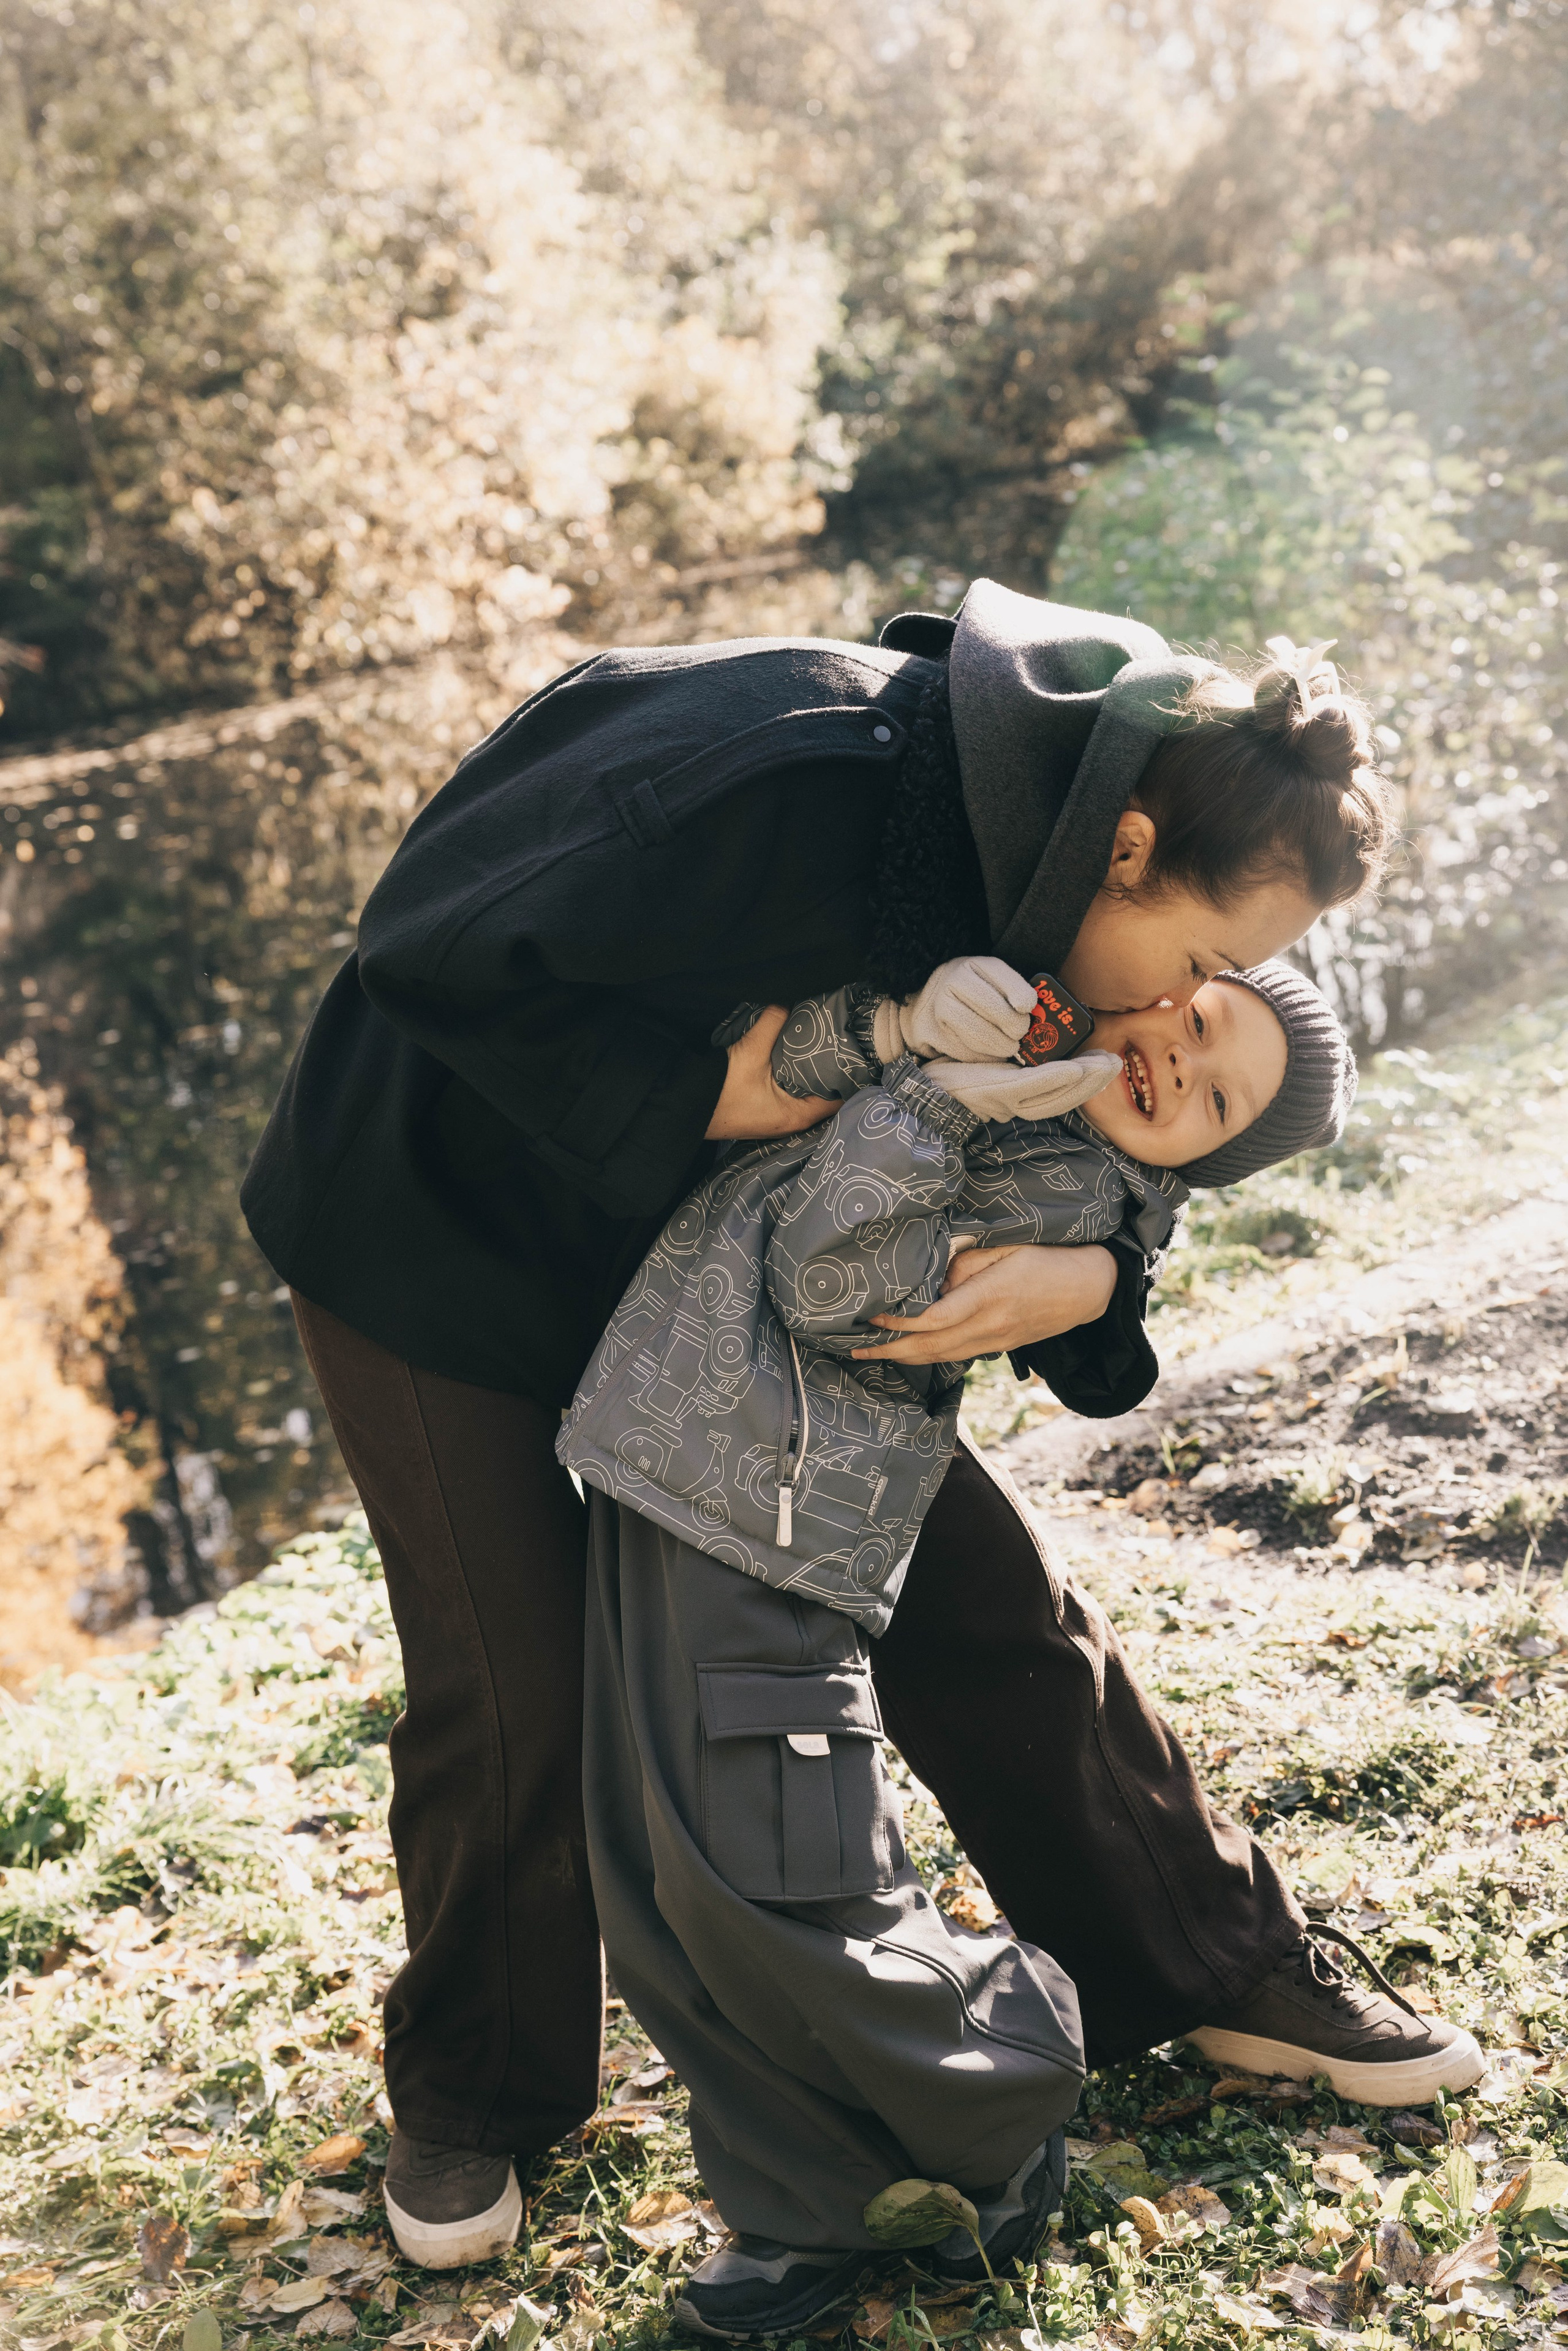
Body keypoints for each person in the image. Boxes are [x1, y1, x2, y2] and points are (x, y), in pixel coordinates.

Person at [243, 587, 1432, 2272]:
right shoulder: (778, 770)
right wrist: (724, 1090)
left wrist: (1094, 1274)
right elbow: (429, 927)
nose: (1200, 1002)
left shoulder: (1067, 845)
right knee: (509, 1677)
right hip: (440, 1217)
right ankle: (473, 2094)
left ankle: (1209, 1961)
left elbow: (1138, 1114)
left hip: (737, 1264)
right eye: (1209, 960)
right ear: (1131, 848)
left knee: (974, 1592)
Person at [562, 958, 1479, 2341]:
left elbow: (830, 1280)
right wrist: (897, 1033)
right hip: (660, 1471)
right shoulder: (1024, 1059)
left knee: (775, 1861)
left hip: (778, 1505)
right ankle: (804, 2202)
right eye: (1192, 1009)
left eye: (1213, 1088)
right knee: (663, 1887)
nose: (1174, 1049)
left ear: (1205, 1158)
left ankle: (995, 2076)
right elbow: (799, 1068)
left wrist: (929, 1102)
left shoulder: (1067, 1190)